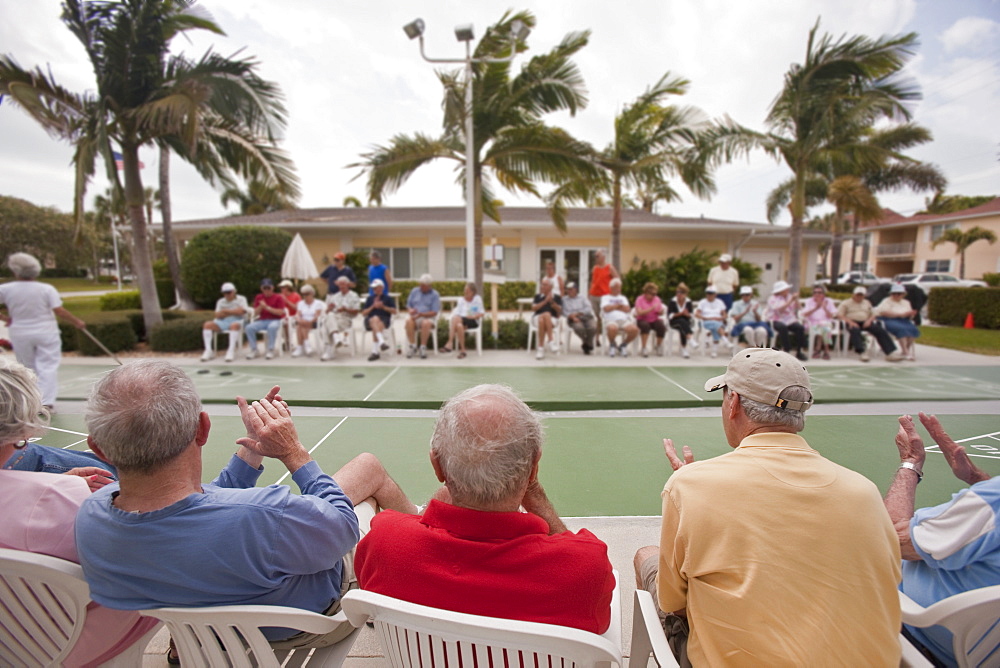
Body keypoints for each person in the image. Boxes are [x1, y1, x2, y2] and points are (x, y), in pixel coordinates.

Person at [75, 360, 417, 658]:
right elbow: (341, 524)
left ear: (98, 448)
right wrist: (293, 452)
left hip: (202, 628)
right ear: (203, 428)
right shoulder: (264, 514)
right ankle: (426, 554)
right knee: (368, 470)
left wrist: (251, 451)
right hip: (305, 623)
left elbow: (202, 501)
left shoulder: (92, 517)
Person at [633, 348, 901, 666]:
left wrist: (695, 490)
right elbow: (887, 583)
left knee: (646, 557)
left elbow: (674, 601)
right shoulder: (864, 491)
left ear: (733, 404)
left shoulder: (690, 485)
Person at [355, 384, 615, 634]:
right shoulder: (585, 570)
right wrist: (535, 495)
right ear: (533, 468)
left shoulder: (384, 544)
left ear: (437, 466)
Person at [0, 359, 156, 666]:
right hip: (62, 640)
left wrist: (53, 484)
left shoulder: (54, 493)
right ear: (22, 425)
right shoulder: (64, 499)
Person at [886, 412, 1000, 666]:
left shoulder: (994, 502)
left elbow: (889, 537)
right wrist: (978, 480)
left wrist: (911, 462)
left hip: (927, 637)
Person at [0, 252, 86, 408]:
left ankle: (30, 401)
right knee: (48, 366)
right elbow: (58, 310)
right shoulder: (46, 289)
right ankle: (46, 403)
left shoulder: (6, 289)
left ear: (15, 271)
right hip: (46, 332)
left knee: (27, 366)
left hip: (20, 332)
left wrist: (6, 319)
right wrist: (77, 322)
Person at [837, 286, 902, 362]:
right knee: (855, 330)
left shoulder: (867, 303)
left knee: (879, 330)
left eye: (861, 295)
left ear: (864, 295)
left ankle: (890, 353)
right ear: (853, 294)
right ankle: (862, 352)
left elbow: (874, 314)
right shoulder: (846, 303)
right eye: (857, 294)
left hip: (865, 322)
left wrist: (869, 320)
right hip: (851, 321)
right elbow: (840, 315)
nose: (859, 297)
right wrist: (850, 322)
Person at [201, 281, 248, 362]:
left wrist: (226, 311)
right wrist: (234, 311)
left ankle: (230, 351)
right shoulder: (220, 301)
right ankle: (208, 351)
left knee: (234, 325)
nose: (227, 294)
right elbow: (218, 315)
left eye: (229, 292)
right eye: (225, 292)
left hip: (238, 321)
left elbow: (242, 311)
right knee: (207, 325)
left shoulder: (241, 299)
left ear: (234, 291)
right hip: (222, 321)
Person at [244, 278, 287, 360]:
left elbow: (280, 312)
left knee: (272, 327)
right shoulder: (259, 297)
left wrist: (267, 307)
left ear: (272, 288)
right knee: (249, 328)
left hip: (276, 320)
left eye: (268, 288)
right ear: (261, 288)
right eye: (265, 288)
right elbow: (255, 313)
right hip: (263, 320)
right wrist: (261, 306)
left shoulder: (278, 297)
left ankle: (271, 349)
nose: (267, 290)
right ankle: (254, 349)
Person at [876, 283, 920, 361]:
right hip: (889, 319)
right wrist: (900, 314)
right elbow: (884, 312)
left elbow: (909, 314)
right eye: (894, 293)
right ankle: (906, 352)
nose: (896, 295)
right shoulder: (887, 301)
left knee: (913, 330)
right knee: (901, 329)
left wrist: (911, 314)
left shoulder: (906, 302)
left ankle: (905, 350)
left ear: (903, 294)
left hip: (904, 320)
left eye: (899, 293)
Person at [766, 280, 808, 361]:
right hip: (775, 319)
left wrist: (796, 300)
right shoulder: (772, 299)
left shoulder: (789, 297)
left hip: (789, 320)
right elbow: (780, 309)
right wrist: (791, 300)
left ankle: (799, 351)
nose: (788, 290)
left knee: (800, 328)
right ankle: (787, 349)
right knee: (783, 327)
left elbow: (799, 308)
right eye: (785, 289)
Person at [322, 275, 360, 361]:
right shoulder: (335, 296)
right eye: (340, 284)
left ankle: (329, 351)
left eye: (343, 284)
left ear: (347, 285)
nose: (341, 286)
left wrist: (345, 309)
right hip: (334, 317)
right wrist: (329, 308)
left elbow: (357, 311)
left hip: (345, 319)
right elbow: (327, 312)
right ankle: (336, 337)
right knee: (330, 316)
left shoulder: (354, 295)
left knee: (325, 326)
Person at [441, 282, 483, 359]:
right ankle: (463, 351)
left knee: (456, 319)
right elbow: (458, 312)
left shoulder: (477, 299)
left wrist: (474, 316)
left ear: (472, 292)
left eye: (467, 291)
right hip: (462, 320)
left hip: (473, 320)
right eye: (465, 290)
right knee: (459, 325)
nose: (465, 292)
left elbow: (482, 313)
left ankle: (449, 343)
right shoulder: (461, 300)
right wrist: (458, 317)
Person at [405, 274, 441, 360]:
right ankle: (413, 346)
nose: (420, 287)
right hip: (415, 317)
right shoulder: (414, 291)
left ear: (429, 286)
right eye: (420, 284)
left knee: (426, 323)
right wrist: (410, 310)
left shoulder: (435, 294)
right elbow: (408, 305)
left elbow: (434, 312)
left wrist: (421, 314)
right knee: (408, 321)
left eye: (423, 286)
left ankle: (422, 348)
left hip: (428, 317)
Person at [600, 278, 638, 358]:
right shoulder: (605, 297)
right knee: (612, 328)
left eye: (619, 287)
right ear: (611, 288)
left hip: (624, 320)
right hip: (610, 320)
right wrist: (618, 306)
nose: (619, 290)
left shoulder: (623, 298)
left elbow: (627, 309)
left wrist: (613, 307)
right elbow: (606, 309)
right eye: (617, 288)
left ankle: (623, 345)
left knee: (634, 330)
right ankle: (612, 345)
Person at [362, 278, 396, 361]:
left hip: (384, 319)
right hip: (370, 320)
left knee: (377, 325)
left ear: (381, 288)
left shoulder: (387, 298)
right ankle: (381, 342)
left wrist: (383, 307)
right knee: (374, 319)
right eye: (373, 288)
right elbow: (364, 313)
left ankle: (375, 352)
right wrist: (372, 306)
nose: (374, 289)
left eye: (376, 287)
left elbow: (394, 311)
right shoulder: (370, 299)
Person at [801, 283, 837, 359]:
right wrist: (816, 308)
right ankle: (826, 350)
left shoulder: (828, 301)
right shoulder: (809, 301)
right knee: (824, 327)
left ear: (823, 294)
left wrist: (824, 308)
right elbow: (804, 314)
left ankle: (818, 349)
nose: (817, 294)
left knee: (824, 326)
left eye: (819, 292)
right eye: (815, 292)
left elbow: (832, 316)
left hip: (827, 323)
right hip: (812, 323)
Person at [589, 249, 619, 337]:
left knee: (606, 317)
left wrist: (615, 293)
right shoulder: (595, 268)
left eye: (597, 256)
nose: (596, 258)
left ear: (603, 257)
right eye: (595, 256)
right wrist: (589, 292)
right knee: (596, 317)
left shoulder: (609, 267)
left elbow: (617, 280)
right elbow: (592, 281)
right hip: (594, 295)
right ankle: (597, 337)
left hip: (605, 296)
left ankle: (609, 336)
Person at [694, 285, 731, 358]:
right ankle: (725, 342)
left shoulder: (720, 302)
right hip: (706, 322)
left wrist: (720, 318)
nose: (709, 295)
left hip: (717, 321)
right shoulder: (702, 302)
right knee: (718, 327)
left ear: (715, 294)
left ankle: (714, 352)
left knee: (716, 328)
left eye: (711, 293)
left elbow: (725, 315)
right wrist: (705, 317)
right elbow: (697, 313)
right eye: (708, 293)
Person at [562, 281, 597, 355]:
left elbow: (588, 308)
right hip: (573, 319)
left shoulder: (582, 297)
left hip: (586, 316)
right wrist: (571, 316)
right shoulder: (564, 299)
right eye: (568, 289)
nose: (569, 291)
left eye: (571, 289)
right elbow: (563, 311)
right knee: (579, 328)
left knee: (593, 327)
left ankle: (586, 343)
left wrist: (578, 313)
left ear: (576, 290)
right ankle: (587, 343)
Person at [531, 277, 562, 360]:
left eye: (545, 285)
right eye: (542, 284)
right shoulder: (537, 296)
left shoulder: (556, 297)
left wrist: (551, 301)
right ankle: (551, 341)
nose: (542, 286)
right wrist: (545, 301)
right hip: (537, 318)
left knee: (544, 317)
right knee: (545, 315)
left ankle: (540, 348)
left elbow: (559, 309)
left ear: (550, 287)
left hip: (552, 319)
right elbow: (534, 308)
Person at [634, 282, 667, 357]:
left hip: (654, 319)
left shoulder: (657, 299)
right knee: (645, 326)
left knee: (661, 326)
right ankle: (644, 347)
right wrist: (651, 309)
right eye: (652, 294)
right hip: (642, 319)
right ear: (646, 293)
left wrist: (660, 312)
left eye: (655, 294)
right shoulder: (639, 299)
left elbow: (659, 311)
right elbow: (639, 312)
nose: (653, 296)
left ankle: (658, 346)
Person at [291, 284, 324, 357]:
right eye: (303, 294)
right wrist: (299, 319)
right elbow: (298, 314)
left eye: (307, 294)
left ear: (312, 293)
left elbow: (317, 316)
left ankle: (300, 347)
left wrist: (309, 321)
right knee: (300, 325)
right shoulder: (300, 303)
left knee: (300, 326)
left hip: (314, 322)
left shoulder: (318, 303)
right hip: (303, 322)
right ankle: (307, 345)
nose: (305, 296)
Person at [667, 283, 694, 358]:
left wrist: (687, 314)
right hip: (674, 322)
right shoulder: (672, 301)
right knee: (682, 322)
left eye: (681, 292)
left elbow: (691, 315)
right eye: (677, 292)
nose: (679, 294)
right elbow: (670, 315)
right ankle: (690, 339)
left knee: (682, 326)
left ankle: (684, 348)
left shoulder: (688, 302)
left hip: (685, 322)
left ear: (685, 294)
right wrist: (680, 313)